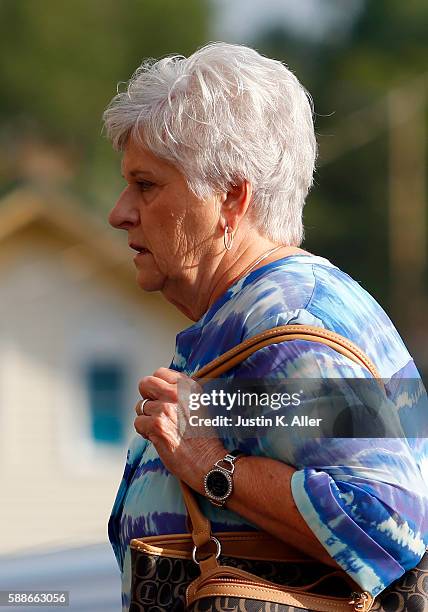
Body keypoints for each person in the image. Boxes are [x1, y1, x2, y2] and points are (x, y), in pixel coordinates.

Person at [102, 42, 428, 611]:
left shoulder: (288, 328)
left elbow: (388, 521)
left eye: (147, 185)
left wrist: (213, 468)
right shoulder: (264, 315)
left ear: (229, 196)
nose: (119, 211)